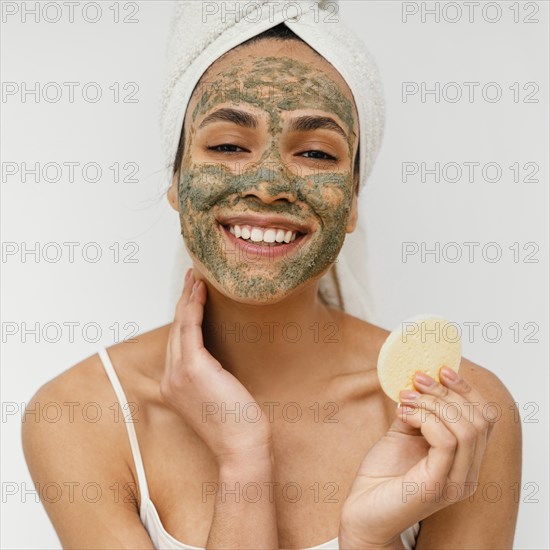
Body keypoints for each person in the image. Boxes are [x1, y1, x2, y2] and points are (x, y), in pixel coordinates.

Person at [22, 4, 521, 549]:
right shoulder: (81, 414)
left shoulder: (457, 416)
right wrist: (242, 456)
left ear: (353, 202)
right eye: (228, 145)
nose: (267, 184)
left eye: (314, 152)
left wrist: (368, 538)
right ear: (176, 179)